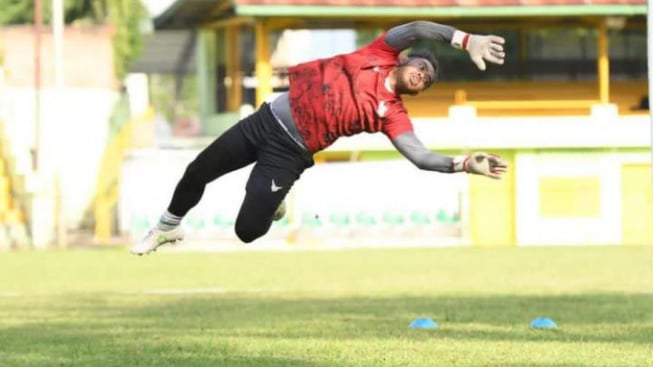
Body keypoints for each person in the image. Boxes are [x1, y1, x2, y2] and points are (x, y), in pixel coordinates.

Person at [130, 20, 509, 255]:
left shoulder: (392, 114)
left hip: (290, 153)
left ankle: (273, 203)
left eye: (428, 80)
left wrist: (463, 164)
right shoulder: (378, 52)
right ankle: (167, 226)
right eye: (422, 67)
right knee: (198, 170)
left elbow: (420, 156)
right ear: (405, 60)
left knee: (246, 231)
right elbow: (416, 29)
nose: (423, 76)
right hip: (264, 121)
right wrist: (464, 39)